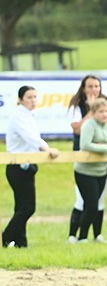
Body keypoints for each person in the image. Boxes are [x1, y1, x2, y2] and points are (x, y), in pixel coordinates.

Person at [3, 86, 60, 248]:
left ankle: (21, 243)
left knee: (21, 207)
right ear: (20, 100)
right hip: (17, 167)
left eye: (35, 97)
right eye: (29, 97)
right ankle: (6, 236)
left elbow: (34, 139)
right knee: (28, 208)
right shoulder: (19, 117)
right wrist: (48, 149)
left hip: (28, 166)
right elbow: (31, 138)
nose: (33, 100)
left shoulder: (29, 116)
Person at [75, 97, 107, 244]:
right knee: (91, 205)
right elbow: (85, 145)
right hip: (84, 171)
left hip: (102, 171)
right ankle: (82, 237)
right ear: (94, 113)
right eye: (101, 111)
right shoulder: (89, 125)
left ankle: (97, 235)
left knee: (99, 205)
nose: (105, 114)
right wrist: (104, 147)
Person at [66, 75, 104, 241]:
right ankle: (73, 235)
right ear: (83, 88)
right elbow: (77, 129)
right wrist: (91, 111)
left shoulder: (106, 104)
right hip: (82, 157)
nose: (94, 90)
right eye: (90, 86)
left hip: (101, 159)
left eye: (97, 86)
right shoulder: (77, 105)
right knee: (82, 199)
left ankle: (97, 234)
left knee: (100, 199)